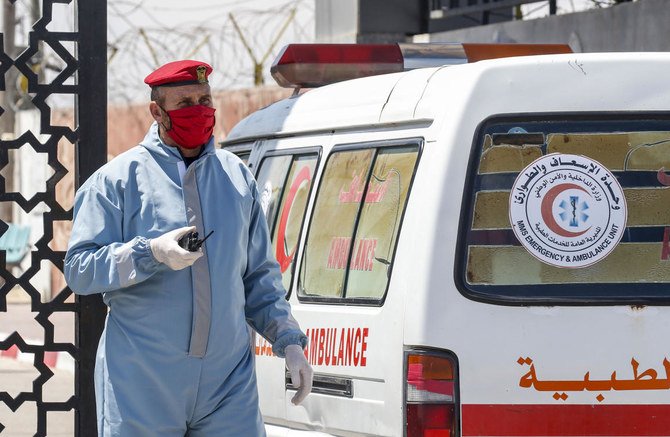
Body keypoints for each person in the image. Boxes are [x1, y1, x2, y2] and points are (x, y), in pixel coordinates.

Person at [64, 60, 313, 436]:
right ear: (157, 111)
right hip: (143, 380)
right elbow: (80, 269)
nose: (199, 110)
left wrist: (289, 340)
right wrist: (149, 253)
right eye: (185, 103)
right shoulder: (116, 182)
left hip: (227, 383)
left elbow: (259, 274)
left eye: (204, 99)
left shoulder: (236, 178)